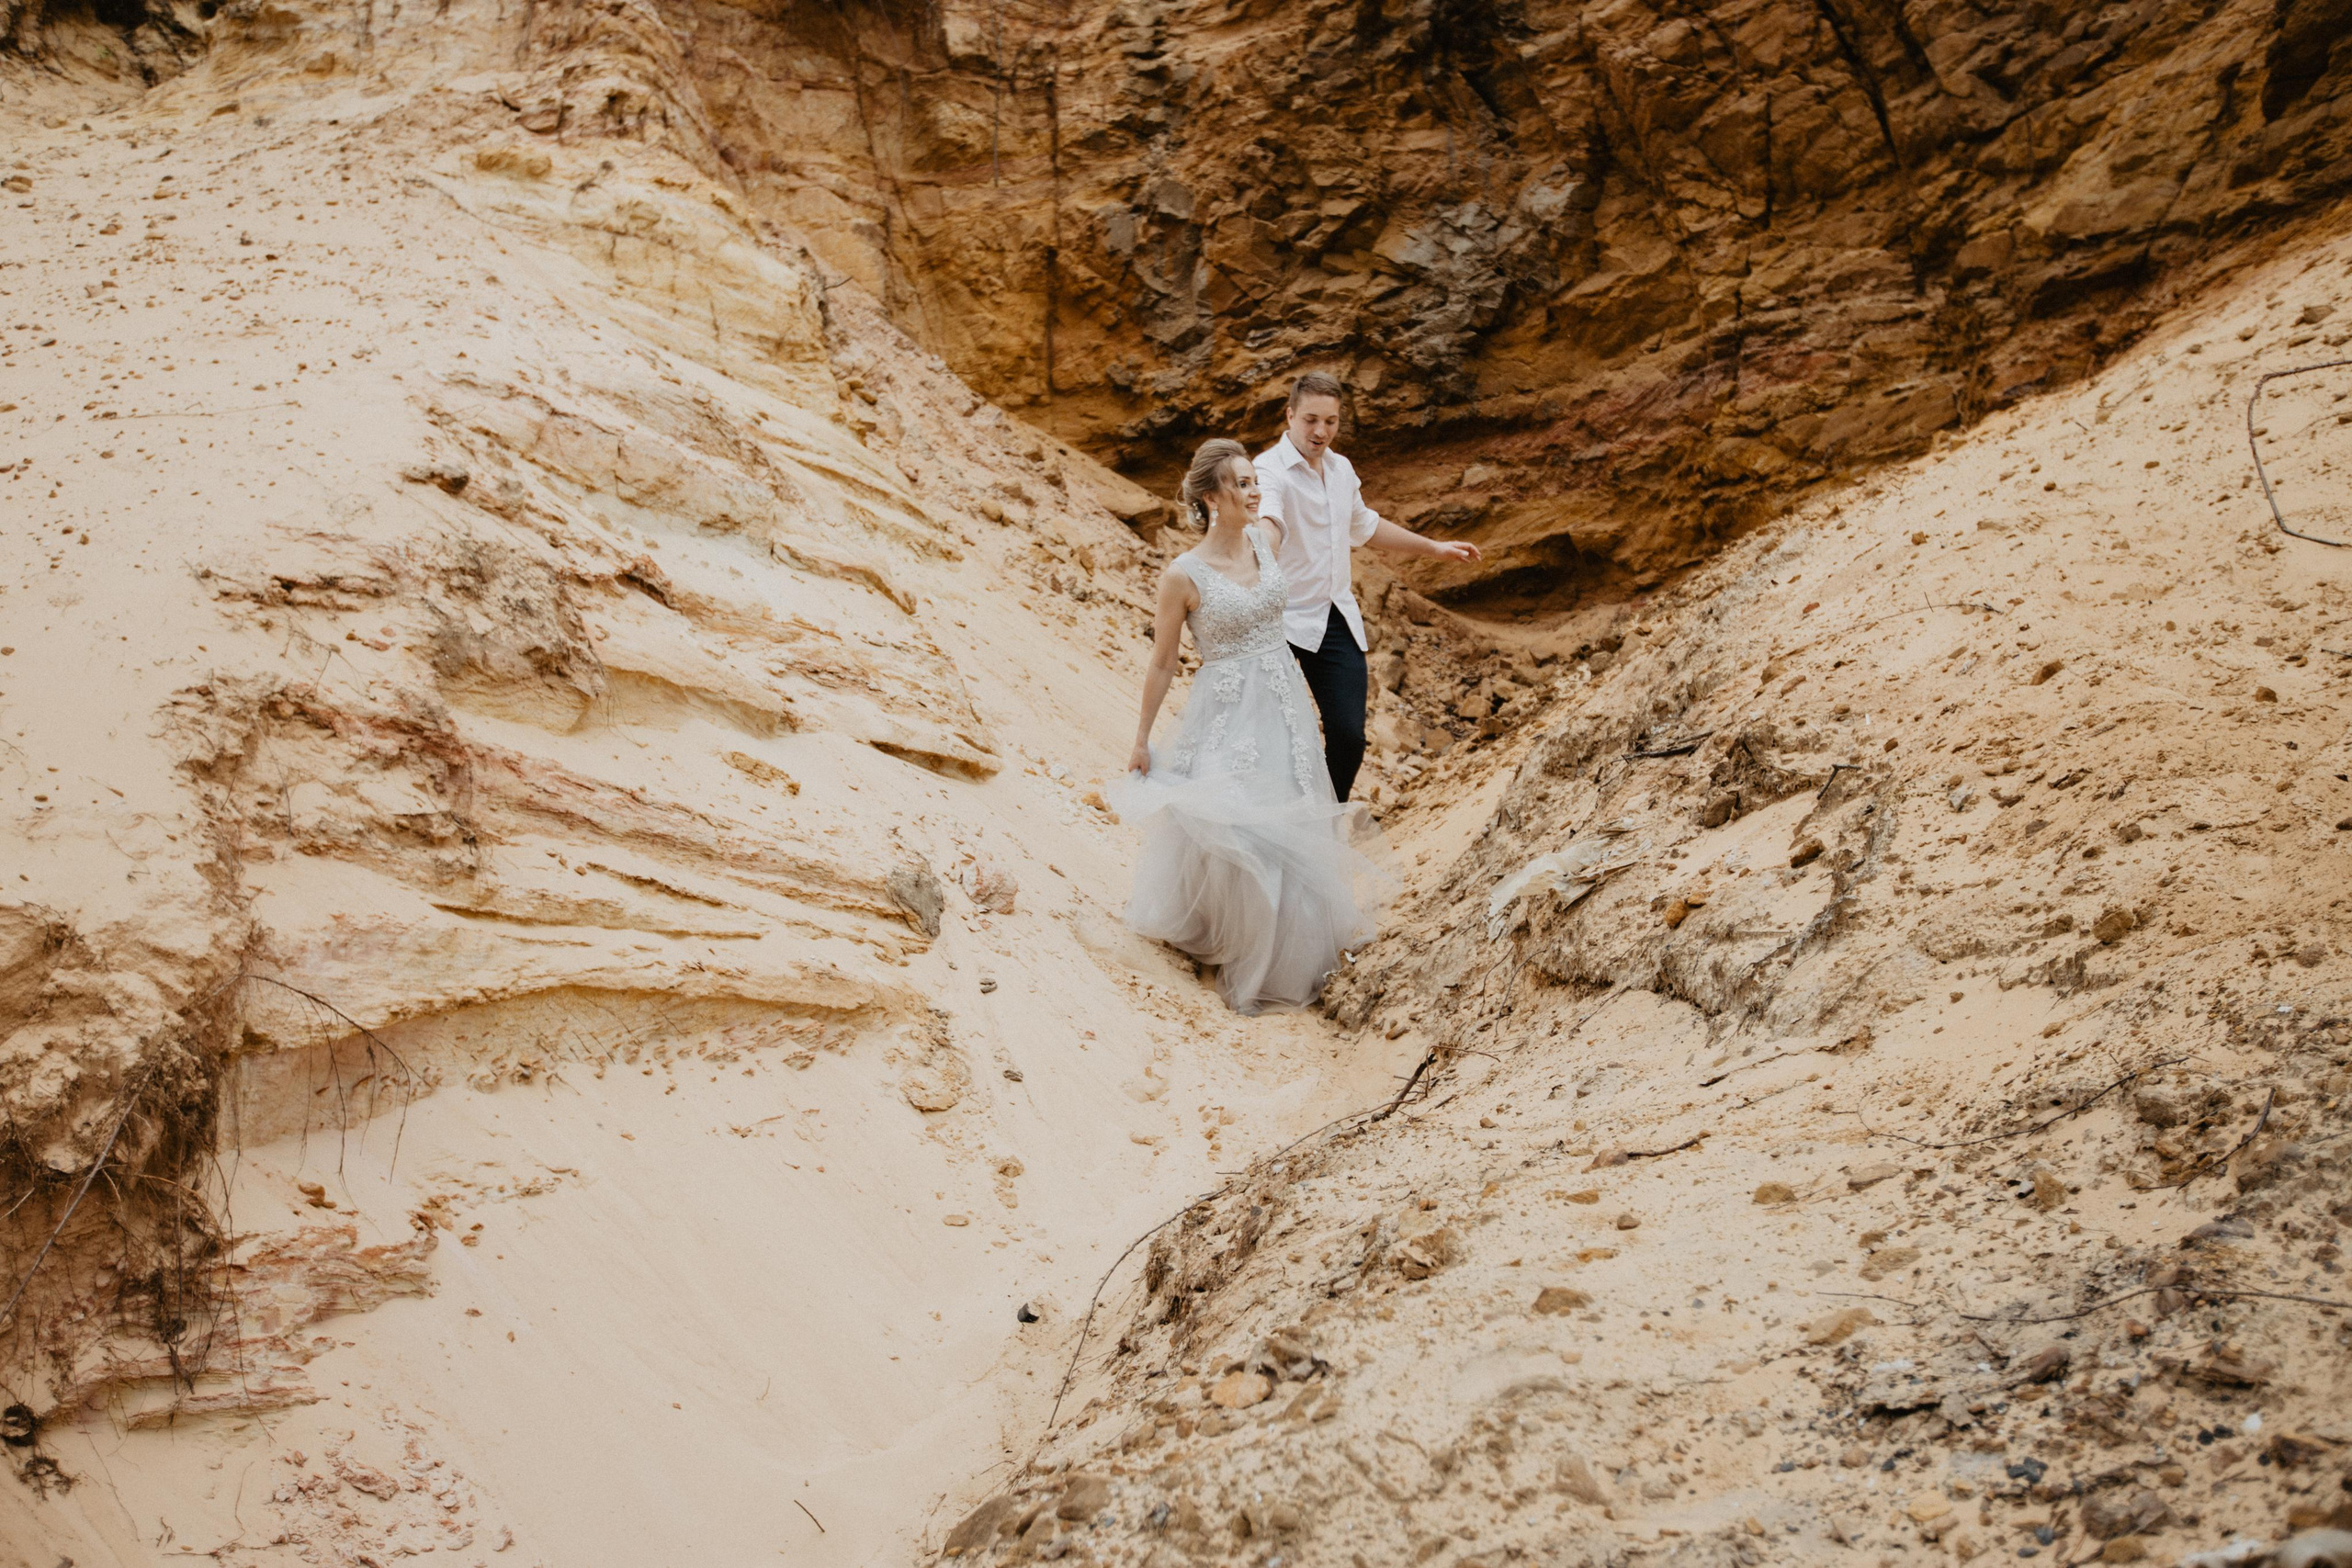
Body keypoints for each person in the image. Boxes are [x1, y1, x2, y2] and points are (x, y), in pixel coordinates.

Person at [1110, 439, 1393, 1015]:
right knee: (1238, 825)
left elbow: (1317, 516)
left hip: (1283, 705)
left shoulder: (1266, 541)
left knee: (1289, 816)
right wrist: (1141, 738)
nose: (1254, 491)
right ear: (1212, 499)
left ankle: (1291, 952)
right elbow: (1163, 663)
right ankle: (1233, 945)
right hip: (1226, 712)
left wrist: (1314, 456)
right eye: (1241, 484)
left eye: (1254, 481)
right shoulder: (1181, 576)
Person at [1254, 372, 1482, 801]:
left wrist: (1434, 548)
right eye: (1311, 420)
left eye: (1331, 421)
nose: (1321, 431)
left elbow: (1365, 525)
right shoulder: (1268, 470)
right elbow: (1270, 518)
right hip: (1277, 622)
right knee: (1274, 737)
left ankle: (1321, 821)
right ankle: (1272, 821)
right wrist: (1264, 540)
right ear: (1290, 416)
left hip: (1334, 617)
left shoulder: (1341, 469)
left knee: (1348, 736)